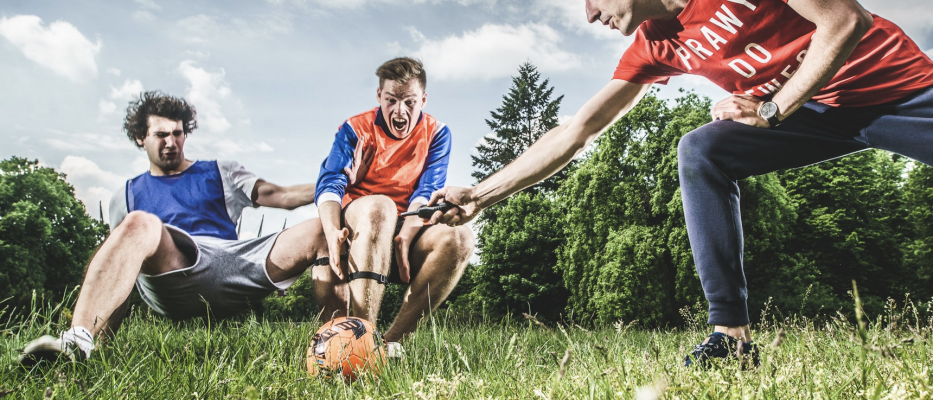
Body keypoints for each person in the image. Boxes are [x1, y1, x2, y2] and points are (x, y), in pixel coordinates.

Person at [427, 0, 933, 368]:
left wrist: (775, 107)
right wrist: (481, 194)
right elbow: (577, 130)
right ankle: (730, 338)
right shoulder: (655, 44)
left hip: (897, 90)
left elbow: (846, 19)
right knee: (702, 150)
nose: (588, 14)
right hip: (815, 114)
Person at [19, 91, 332, 366]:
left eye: (178, 133)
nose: (171, 143)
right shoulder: (126, 196)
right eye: (161, 135)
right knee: (139, 223)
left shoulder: (221, 171)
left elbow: (283, 196)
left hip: (234, 262)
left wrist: (338, 185)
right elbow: (119, 271)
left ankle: (340, 343)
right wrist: (103, 342)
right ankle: (78, 343)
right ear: (141, 138)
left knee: (322, 228)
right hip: (173, 274)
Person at [314, 57, 474, 346]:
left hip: (406, 222)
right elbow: (329, 182)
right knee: (381, 208)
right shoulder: (354, 129)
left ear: (423, 100)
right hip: (360, 221)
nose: (400, 111)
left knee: (461, 238)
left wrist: (409, 229)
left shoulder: (438, 133)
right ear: (379, 96)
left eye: (410, 102)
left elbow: (428, 190)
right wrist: (331, 231)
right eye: (391, 100)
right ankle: (360, 343)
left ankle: (388, 346)